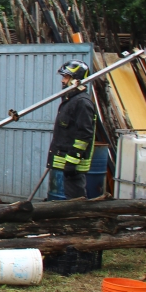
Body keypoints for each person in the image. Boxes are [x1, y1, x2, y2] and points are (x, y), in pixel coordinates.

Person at [48, 60, 96, 200]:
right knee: (68, 198)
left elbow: (84, 135)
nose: (63, 81)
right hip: (65, 161)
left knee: (76, 199)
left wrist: (72, 161)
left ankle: (80, 220)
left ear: (76, 80)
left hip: (73, 165)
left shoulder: (82, 103)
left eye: (66, 77)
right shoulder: (70, 100)